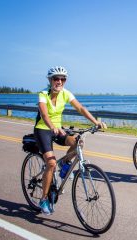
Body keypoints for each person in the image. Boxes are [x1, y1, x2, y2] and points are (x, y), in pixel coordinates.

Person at [34, 66, 106, 215]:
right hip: (43, 129)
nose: (59, 81)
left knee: (78, 142)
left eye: (62, 79)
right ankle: (43, 199)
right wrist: (53, 126)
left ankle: (65, 164)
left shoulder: (65, 93)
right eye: (56, 78)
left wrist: (96, 122)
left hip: (58, 129)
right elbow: (44, 114)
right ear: (50, 80)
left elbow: (80, 108)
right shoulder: (42, 94)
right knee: (51, 163)